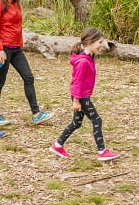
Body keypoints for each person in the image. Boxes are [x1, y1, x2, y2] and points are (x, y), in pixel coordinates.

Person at [0, 0, 53, 126]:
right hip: (3, 49)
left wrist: (20, 44)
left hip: (16, 49)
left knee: (28, 77)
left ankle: (36, 114)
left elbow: (17, 27)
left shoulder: (16, 4)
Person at [49, 27, 120, 161]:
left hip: (81, 95)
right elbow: (78, 82)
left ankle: (57, 146)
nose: (101, 45)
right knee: (97, 120)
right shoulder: (83, 62)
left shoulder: (89, 56)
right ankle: (102, 151)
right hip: (81, 96)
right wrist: (76, 101)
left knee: (76, 122)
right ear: (89, 42)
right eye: (99, 42)